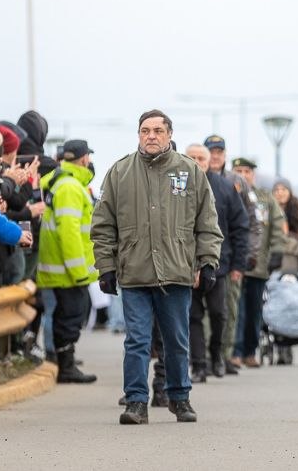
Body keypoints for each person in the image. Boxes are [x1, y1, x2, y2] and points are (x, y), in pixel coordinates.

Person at [91, 110, 223, 426]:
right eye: (145, 130)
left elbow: (207, 222)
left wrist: (207, 262)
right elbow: (103, 224)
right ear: (139, 134)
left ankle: (179, 397)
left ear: (169, 135)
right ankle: (136, 401)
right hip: (134, 272)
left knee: (176, 341)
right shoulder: (120, 172)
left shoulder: (190, 171)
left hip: (176, 272)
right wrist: (106, 267)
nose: (151, 136)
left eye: (158, 131)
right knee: (136, 341)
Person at [35, 139, 100, 384]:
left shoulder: (60, 182)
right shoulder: (70, 187)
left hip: (60, 268)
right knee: (70, 318)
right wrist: (79, 272)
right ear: (84, 159)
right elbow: (69, 233)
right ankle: (66, 367)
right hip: (68, 271)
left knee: (67, 317)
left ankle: (66, 364)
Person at [184, 144, 249, 381]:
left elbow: (240, 227)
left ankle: (217, 355)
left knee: (219, 313)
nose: (197, 162)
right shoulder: (177, 185)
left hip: (218, 263)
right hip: (185, 264)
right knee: (193, 316)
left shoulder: (224, 187)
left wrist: (239, 265)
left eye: (201, 158)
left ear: (209, 161)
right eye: (192, 157)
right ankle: (199, 365)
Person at [232, 157, 285, 368]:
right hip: (233, 263)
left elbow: (277, 226)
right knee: (235, 311)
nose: (243, 175)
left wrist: (277, 252)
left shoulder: (265, 198)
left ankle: (250, 352)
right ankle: (234, 352)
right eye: (238, 171)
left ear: (253, 175)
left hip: (258, 264)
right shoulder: (228, 193)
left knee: (254, 310)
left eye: (247, 171)